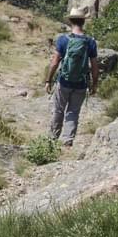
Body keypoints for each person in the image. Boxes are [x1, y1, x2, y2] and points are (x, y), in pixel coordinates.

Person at [44, 8, 100, 147]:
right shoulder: (90, 42)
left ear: (70, 21)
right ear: (83, 22)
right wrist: (94, 84)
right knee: (73, 112)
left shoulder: (63, 39)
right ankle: (68, 141)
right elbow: (94, 66)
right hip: (81, 83)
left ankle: (52, 138)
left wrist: (48, 80)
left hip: (64, 82)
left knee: (58, 109)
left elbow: (55, 62)